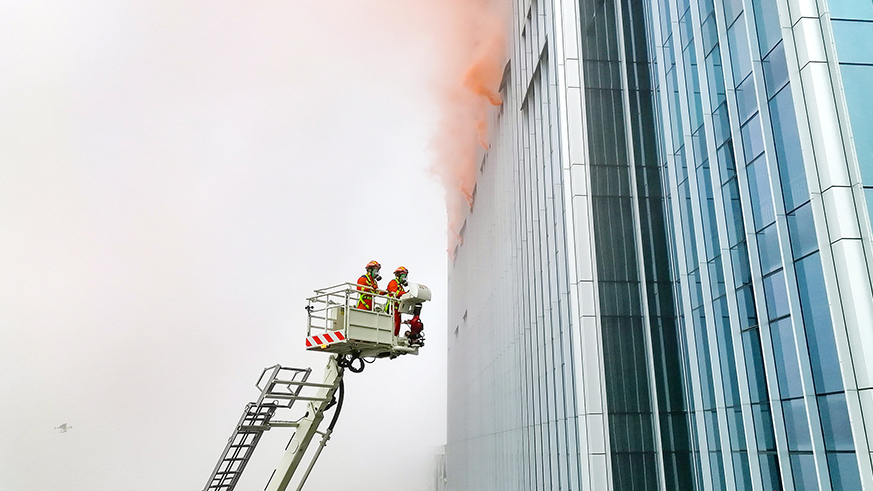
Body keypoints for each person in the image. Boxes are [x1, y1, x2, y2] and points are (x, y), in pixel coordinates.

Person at [386, 266, 409, 335]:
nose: (405, 279)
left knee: (397, 327)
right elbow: (395, 293)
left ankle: (395, 338)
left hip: (398, 310)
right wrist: (405, 293)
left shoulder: (401, 287)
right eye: (404, 276)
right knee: (394, 326)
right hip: (392, 309)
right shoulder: (393, 283)